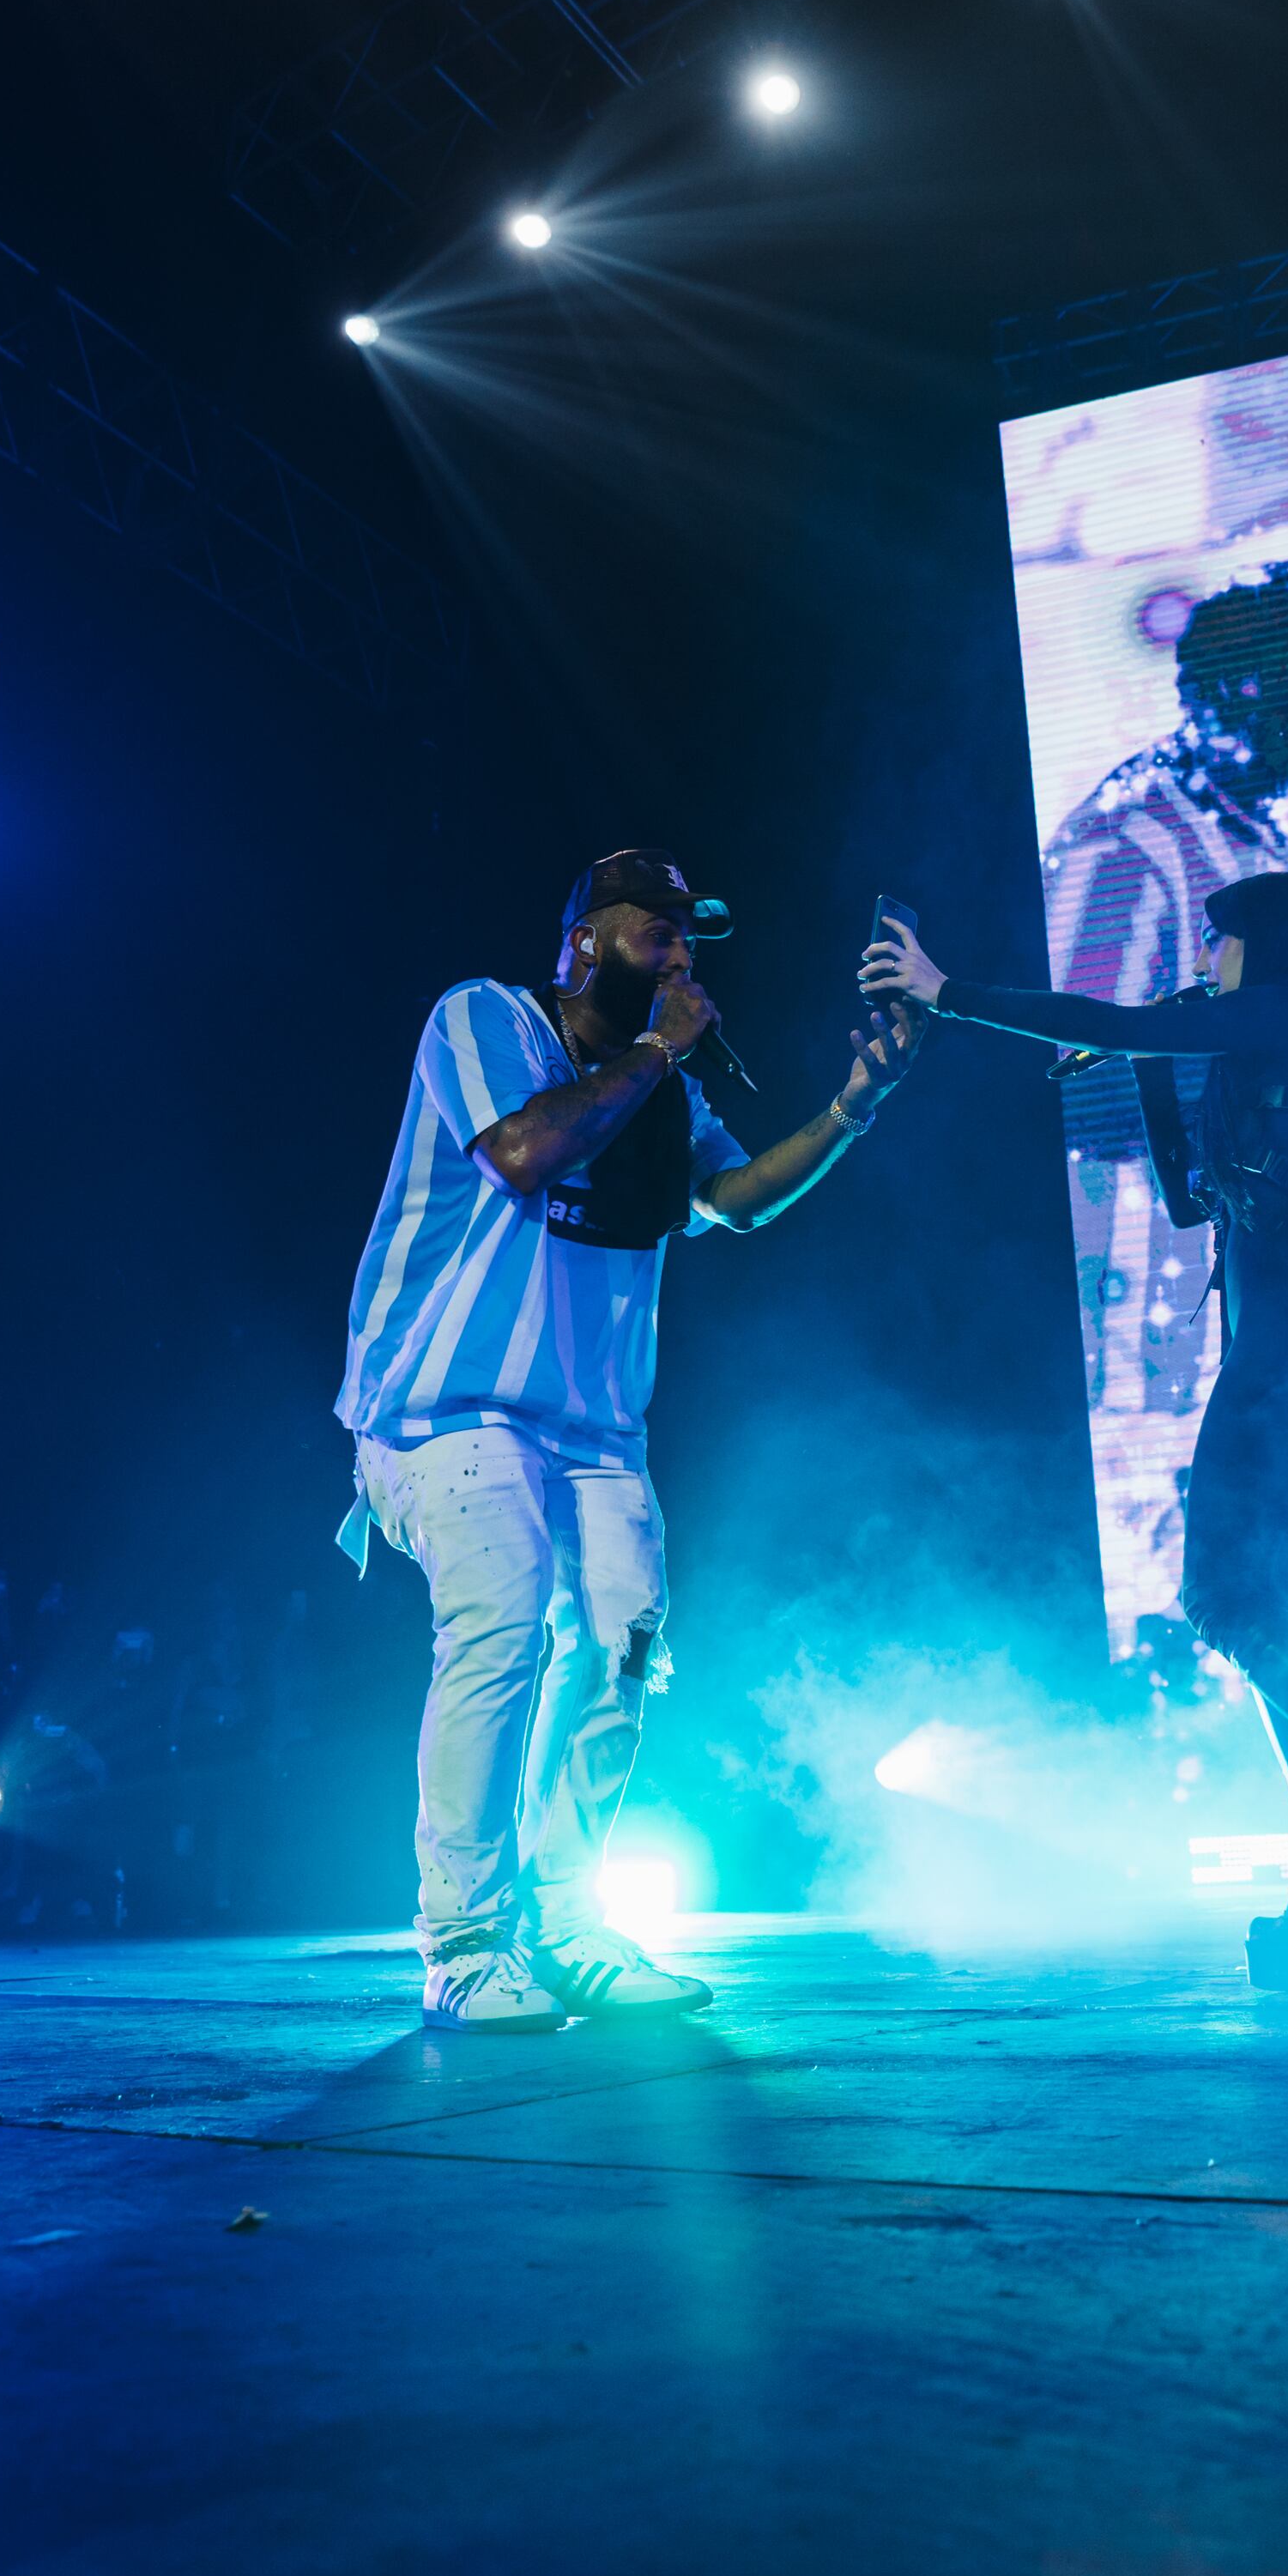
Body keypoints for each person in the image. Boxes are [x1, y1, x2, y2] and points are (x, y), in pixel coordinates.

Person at [865, 870, 1288, 1985]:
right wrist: (1149, 1064)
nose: (1205, 959)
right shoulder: (1256, 1056)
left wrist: (948, 993)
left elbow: (1125, 1017)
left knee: (1228, 1604)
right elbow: (1193, 1199)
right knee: (1249, 1608)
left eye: (1217, 942)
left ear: (1264, 947)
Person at [339, 848, 926, 2034]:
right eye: (651, 927)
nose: (678, 949)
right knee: (505, 1613)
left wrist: (852, 1105)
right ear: (578, 942)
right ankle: (461, 1941)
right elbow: (521, 1155)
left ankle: (567, 1928)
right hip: (443, 1409)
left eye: (688, 935)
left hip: (594, 1433)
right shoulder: (483, 1018)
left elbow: (737, 1195)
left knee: (616, 1643)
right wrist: (658, 1049)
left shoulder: (667, 1092)